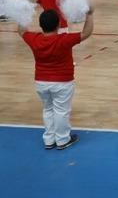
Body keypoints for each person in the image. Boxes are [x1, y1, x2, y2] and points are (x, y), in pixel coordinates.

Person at [20, 8, 94, 150]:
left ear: (41, 26)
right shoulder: (64, 40)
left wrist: (21, 14)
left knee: (48, 109)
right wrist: (89, 15)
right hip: (62, 82)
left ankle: (49, 139)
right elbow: (86, 33)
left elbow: (21, 31)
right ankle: (62, 140)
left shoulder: (34, 39)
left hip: (41, 82)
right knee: (61, 111)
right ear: (58, 24)